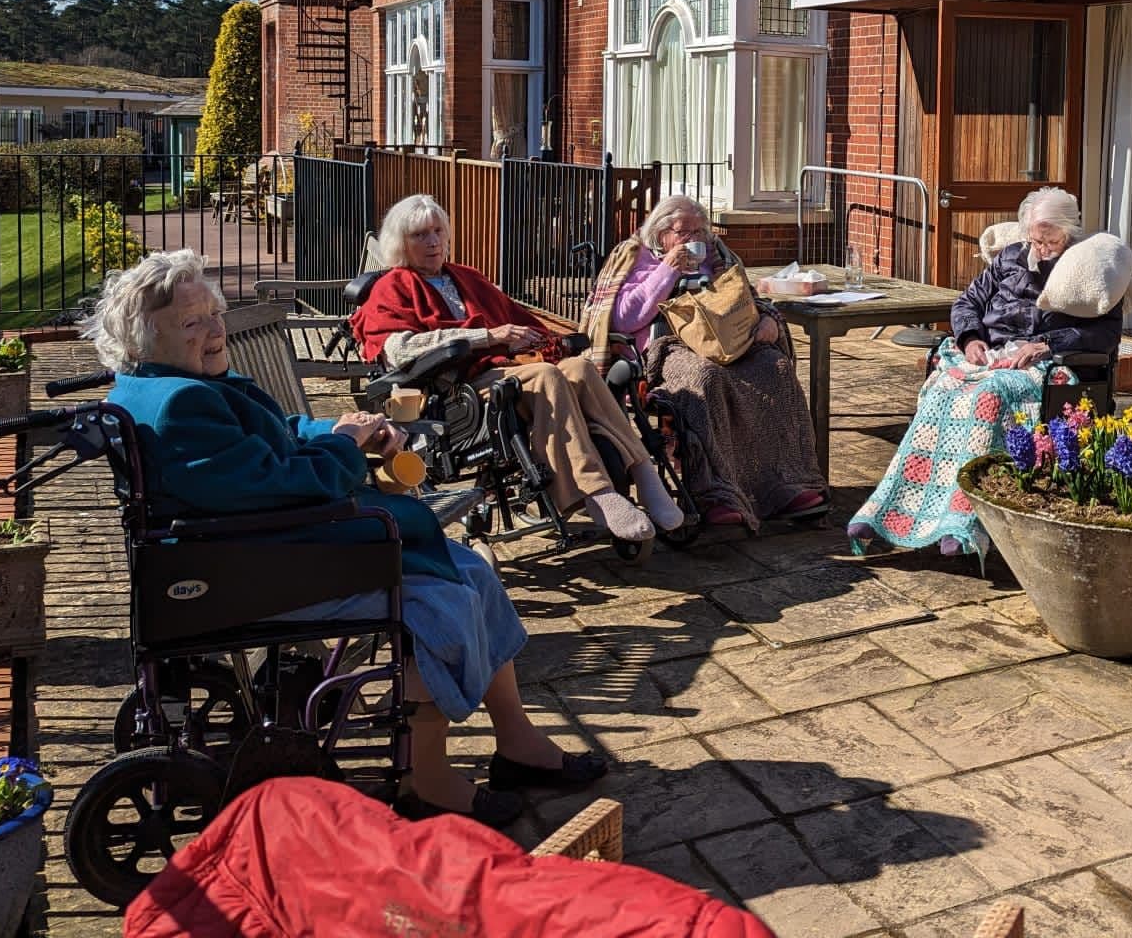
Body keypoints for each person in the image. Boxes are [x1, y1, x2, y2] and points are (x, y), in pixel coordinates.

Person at [86, 250, 605, 831]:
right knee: (443, 601)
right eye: (192, 322)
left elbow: (275, 436)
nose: (213, 329)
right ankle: (424, 780)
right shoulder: (183, 404)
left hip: (256, 552)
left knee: (472, 570)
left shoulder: (167, 383)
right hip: (258, 569)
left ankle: (516, 742)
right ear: (143, 338)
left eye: (213, 313)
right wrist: (346, 451)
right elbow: (281, 485)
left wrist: (334, 429)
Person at [351, 194, 682, 544]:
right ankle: (596, 492)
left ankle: (645, 475)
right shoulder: (391, 287)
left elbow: (519, 319)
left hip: (506, 369)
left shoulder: (467, 277)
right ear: (401, 243)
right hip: (456, 387)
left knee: (579, 368)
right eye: (420, 235)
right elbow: (396, 349)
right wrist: (486, 336)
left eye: (437, 231)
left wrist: (546, 340)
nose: (433, 242)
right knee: (547, 376)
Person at [848, 186, 1123, 559]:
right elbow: (968, 302)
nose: (1040, 250)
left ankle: (965, 518)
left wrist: (1044, 344)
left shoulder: (1088, 268)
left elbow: (1103, 332)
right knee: (943, 387)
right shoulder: (1010, 258)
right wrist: (971, 338)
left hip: (1044, 364)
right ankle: (892, 505)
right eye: (1035, 241)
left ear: (1069, 230)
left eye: (1050, 242)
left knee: (988, 396)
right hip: (990, 355)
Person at [582, 194, 827, 532]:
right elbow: (623, 319)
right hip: (665, 349)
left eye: (700, 231)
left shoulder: (718, 256)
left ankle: (791, 484)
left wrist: (766, 318)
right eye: (685, 232)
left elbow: (748, 300)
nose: (694, 239)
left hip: (725, 344)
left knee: (774, 368)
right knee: (705, 377)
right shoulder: (635, 257)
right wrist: (668, 269)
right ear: (661, 232)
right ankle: (714, 494)